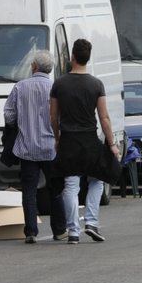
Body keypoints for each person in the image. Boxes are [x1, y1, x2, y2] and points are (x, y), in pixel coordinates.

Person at [50, 37, 119, 244]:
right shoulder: (96, 84)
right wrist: (112, 144)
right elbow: (104, 118)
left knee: (71, 185)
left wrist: (57, 138)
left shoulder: (59, 84)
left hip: (68, 139)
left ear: (72, 57)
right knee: (97, 179)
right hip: (89, 138)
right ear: (87, 58)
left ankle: (73, 231)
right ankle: (91, 222)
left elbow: (53, 116)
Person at [2, 51, 65, 244]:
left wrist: (21, 122)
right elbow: (62, 117)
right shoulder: (56, 88)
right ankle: (59, 230)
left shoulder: (20, 88)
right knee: (55, 190)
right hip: (50, 148)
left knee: (29, 191)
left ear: (34, 67)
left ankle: (31, 231)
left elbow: (9, 115)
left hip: (27, 148)